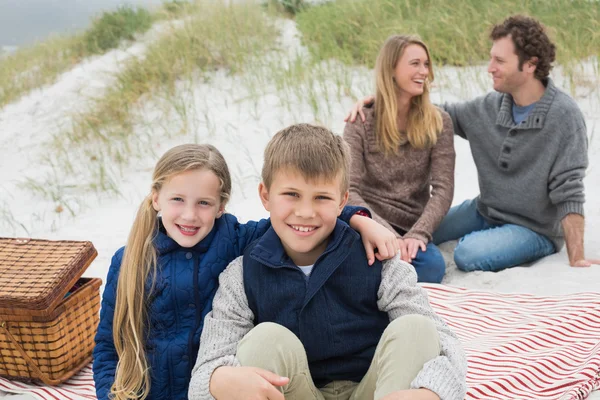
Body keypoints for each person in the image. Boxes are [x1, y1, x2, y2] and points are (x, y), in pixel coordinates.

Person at [92, 144, 399, 400]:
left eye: (203, 203)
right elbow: (108, 344)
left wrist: (360, 219)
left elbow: (295, 219)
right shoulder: (130, 260)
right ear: (156, 198)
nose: (189, 214)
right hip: (152, 392)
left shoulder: (236, 238)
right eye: (177, 200)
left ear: (220, 205)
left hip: (221, 388)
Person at [189, 125, 467, 400]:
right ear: (265, 196)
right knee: (264, 339)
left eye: (321, 197)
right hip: (295, 392)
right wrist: (217, 379)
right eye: (291, 194)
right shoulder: (242, 275)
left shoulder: (377, 259)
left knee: (416, 328)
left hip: (376, 389)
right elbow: (202, 376)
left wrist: (431, 392)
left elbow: (445, 344)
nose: (305, 212)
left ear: (342, 201)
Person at [346, 15, 599, 271]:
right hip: (484, 210)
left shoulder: (565, 117)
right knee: (421, 228)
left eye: (499, 61)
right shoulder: (488, 108)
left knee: (467, 254)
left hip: (533, 226)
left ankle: (540, 245)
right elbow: (428, 112)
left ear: (530, 65)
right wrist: (380, 101)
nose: (490, 67)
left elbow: (570, 192)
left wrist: (576, 256)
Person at [343, 35, 455, 283]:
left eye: (426, 64)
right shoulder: (361, 121)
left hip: (413, 227)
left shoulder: (439, 122)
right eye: (415, 63)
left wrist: (418, 234)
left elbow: (444, 188)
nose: (424, 71)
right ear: (391, 69)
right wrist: (384, 233)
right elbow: (349, 189)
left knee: (433, 267)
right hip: (369, 221)